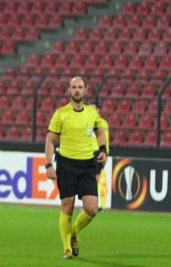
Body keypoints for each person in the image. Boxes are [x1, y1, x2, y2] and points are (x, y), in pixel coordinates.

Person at [44, 76, 107, 259]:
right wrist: (49, 165)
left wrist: (103, 149)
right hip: (66, 164)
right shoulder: (61, 114)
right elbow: (50, 141)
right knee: (68, 206)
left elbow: (100, 132)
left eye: (80, 87)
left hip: (87, 164)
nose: (77, 90)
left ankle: (73, 233)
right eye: (74, 87)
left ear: (85, 90)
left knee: (92, 209)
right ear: (69, 90)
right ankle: (67, 249)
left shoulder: (92, 113)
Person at [88, 103, 110, 211]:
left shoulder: (103, 123)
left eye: (93, 109)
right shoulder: (86, 123)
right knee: (87, 180)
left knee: (95, 179)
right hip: (87, 153)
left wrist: (106, 152)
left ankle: (97, 204)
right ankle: (89, 204)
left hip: (97, 153)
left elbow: (106, 139)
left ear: (98, 110)